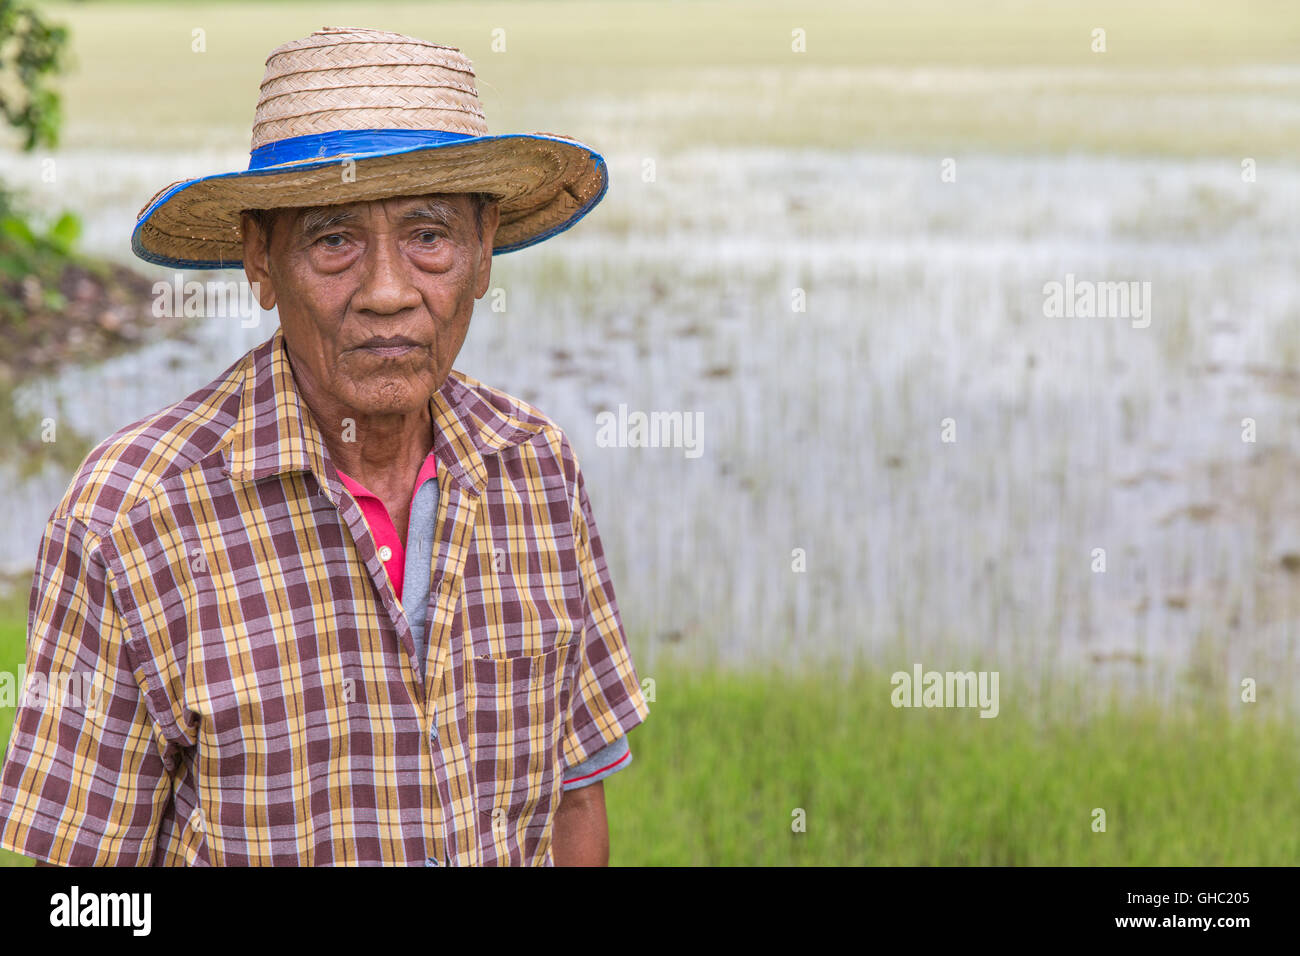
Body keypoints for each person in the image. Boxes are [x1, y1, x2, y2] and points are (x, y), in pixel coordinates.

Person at [0, 26, 648, 866]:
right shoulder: (128, 518)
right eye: (333, 240)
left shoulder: (536, 467)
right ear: (261, 260)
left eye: (430, 236)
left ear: (484, 252)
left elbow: (574, 792)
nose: (387, 292)